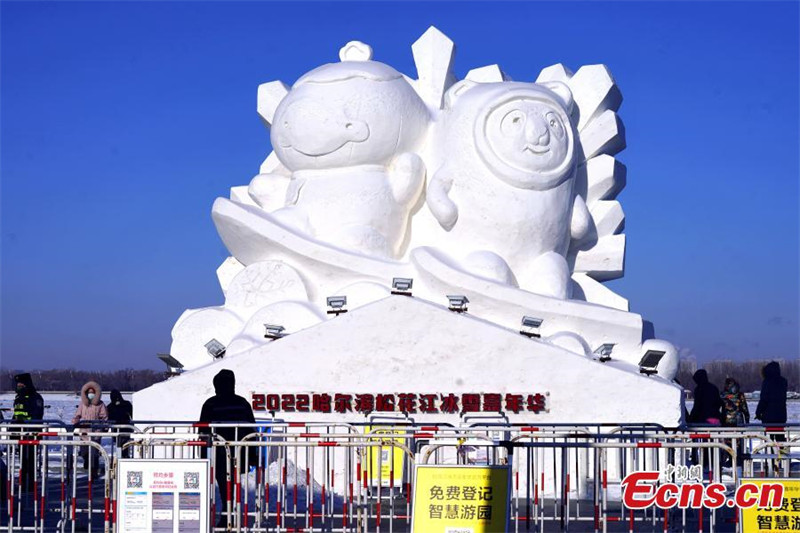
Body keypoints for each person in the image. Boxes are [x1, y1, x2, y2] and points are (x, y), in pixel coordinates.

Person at [198, 370, 257, 527]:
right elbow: (252, 430)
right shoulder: (242, 403)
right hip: (239, 452)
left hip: (218, 453)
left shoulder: (210, 403)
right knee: (233, 484)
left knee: (224, 485)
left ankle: (227, 515)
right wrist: (252, 454)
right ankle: (231, 514)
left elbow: (203, 431)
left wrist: (203, 455)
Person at [12, 373, 45, 492]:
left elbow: (37, 415)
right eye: (18, 384)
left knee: (30, 460)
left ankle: (30, 485)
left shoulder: (35, 397)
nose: (19, 386)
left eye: (21, 384)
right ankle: (24, 483)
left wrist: (30, 429)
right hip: (20, 434)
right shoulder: (18, 398)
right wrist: (12, 430)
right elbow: (16, 416)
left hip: (31, 434)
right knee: (22, 460)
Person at [71, 381, 108, 478]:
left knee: (94, 454)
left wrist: (104, 426)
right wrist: (75, 421)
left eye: (92, 392)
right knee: (84, 452)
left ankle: (94, 472)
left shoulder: (100, 404)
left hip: (96, 433)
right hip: (84, 432)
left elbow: (104, 417)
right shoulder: (82, 404)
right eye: (89, 392)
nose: (91, 394)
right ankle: (87, 462)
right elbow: (77, 415)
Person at [755, 361, 788, 471]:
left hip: (768, 416)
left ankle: (770, 461)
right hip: (781, 416)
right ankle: (782, 460)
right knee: (780, 439)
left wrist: (758, 412)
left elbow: (764, 399)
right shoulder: (783, 381)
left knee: (768, 440)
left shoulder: (767, 382)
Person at [720, 377, 749, 468]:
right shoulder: (740, 395)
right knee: (738, 442)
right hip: (738, 421)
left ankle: (730, 459)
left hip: (726, 421)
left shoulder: (723, 395)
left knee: (728, 441)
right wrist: (747, 419)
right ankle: (738, 460)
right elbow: (744, 408)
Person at [107, 389, 134, 458]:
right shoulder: (110, 407)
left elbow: (132, 414)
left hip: (125, 429)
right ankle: (121, 458)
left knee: (124, 445)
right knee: (120, 446)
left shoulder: (126, 404)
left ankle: (123, 457)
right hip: (118, 430)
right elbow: (108, 419)